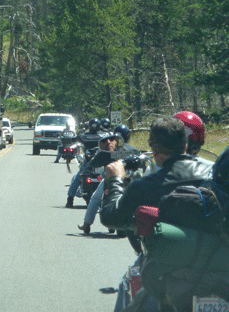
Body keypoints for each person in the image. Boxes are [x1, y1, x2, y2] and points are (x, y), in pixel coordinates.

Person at [99, 116, 213, 312]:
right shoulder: (214, 173)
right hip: (215, 265)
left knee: (127, 286)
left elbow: (110, 217)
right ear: (185, 144)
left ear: (154, 148)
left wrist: (116, 180)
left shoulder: (146, 186)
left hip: (167, 272)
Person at [77, 124, 140, 234]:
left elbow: (141, 158)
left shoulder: (131, 150)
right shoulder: (104, 153)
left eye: (112, 140)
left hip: (129, 178)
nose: (109, 142)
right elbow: (93, 162)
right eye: (106, 140)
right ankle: (87, 224)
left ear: (117, 140)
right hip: (110, 179)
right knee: (96, 197)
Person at [65, 118, 108, 208]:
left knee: (77, 178)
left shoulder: (85, 135)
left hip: (90, 162)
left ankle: (70, 199)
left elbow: (75, 138)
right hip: (102, 162)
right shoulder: (105, 135)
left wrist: (80, 132)